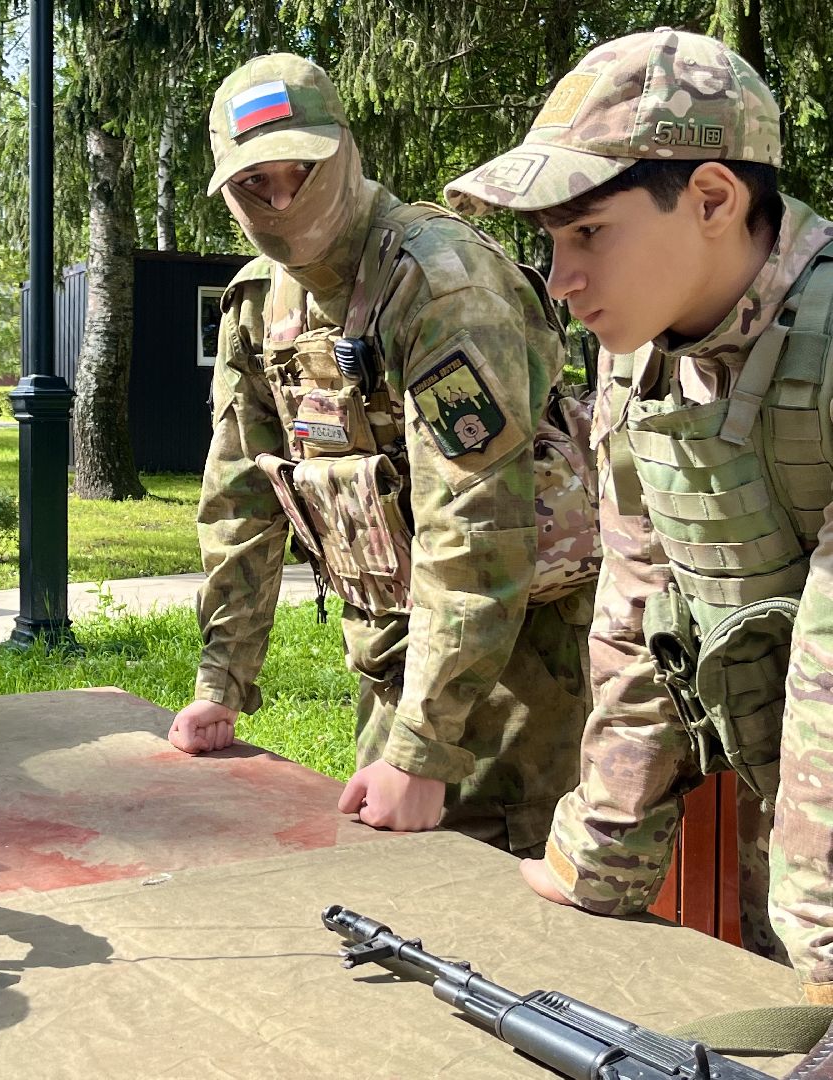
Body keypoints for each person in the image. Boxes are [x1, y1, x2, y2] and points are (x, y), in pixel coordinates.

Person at [444, 28, 833, 997]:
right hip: (781, 801)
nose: (561, 282)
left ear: (712, 199)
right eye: (549, 241)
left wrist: (823, 960)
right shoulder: (645, 353)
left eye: (589, 233)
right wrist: (603, 854)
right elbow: (639, 603)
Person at [168, 54, 601, 858]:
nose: (282, 199)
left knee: (502, 918)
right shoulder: (261, 305)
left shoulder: (439, 286)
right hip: (391, 663)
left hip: (516, 679)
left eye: (301, 170)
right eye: (254, 183)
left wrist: (424, 748)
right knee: (399, 897)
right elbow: (240, 497)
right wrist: (221, 682)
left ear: (346, 150)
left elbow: (477, 525)